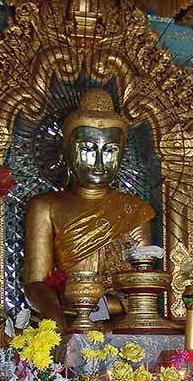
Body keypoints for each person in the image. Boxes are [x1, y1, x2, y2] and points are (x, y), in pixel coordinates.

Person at [22, 88, 156, 334]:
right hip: (63, 315)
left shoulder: (135, 210)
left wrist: (102, 309)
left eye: (110, 151)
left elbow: (138, 289)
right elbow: (34, 282)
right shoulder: (46, 206)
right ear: (68, 151)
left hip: (117, 320)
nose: (99, 162)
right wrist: (54, 316)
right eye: (87, 149)